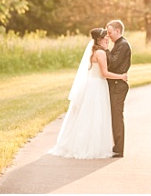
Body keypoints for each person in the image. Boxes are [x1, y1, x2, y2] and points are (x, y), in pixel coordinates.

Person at [48, 28, 128, 159]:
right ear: (99, 40)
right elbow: (105, 73)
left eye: (107, 36)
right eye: (105, 37)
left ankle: (80, 144)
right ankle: (91, 147)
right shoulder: (101, 53)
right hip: (97, 86)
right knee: (96, 116)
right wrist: (121, 77)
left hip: (91, 85)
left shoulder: (94, 51)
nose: (107, 38)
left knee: (87, 116)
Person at [106, 20, 132, 158]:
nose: (108, 36)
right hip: (114, 84)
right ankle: (115, 146)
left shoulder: (123, 45)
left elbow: (114, 64)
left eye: (110, 32)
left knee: (117, 117)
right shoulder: (117, 44)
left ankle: (118, 149)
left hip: (118, 86)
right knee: (113, 116)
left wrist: (104, 50)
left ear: (117, 31)